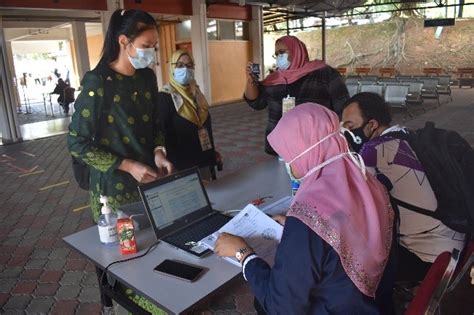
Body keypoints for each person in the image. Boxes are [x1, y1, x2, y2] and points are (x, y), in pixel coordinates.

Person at [215, 104, 394, 314]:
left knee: (262, 302)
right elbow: (345, 224)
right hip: (372, 304)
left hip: (334, 309)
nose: (288, 164)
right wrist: (293, 226)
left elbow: (281, 307)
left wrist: (243, 254)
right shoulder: (370, 183)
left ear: (304, 153)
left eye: (289, 156)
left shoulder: (308, 217)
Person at [341, 92, 465, 282]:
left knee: (345, 258)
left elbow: (350, 205)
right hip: (455, 247)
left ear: (372, 124)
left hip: (428, 259)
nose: (345, 133)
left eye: (350, 127)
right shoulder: (408, 135)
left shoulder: (373, 152)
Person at [68, 9, 173, 222]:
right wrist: (128, 165)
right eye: (146, 46)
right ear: (124, 41)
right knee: (125, 247)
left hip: (150, 178)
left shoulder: (147, 77)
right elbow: (77, 143)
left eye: (154, 46)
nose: (151, 52)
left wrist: (159, 152)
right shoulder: (98, 81)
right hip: (112, 189)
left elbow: (155, 122)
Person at [244, 35, 349, 155]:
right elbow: (256, 103)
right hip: (281, 146)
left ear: (297, 51)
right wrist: (250, 81)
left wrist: (343, 139)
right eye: (276, 54)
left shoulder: (324, 74)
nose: (279, 57)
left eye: (282, 52)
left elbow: (343, 108)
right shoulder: (273, 80)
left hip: (316, 145)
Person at [157, 50, 222, 180]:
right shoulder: (165, 97)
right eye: (180, 65)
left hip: (204, 160)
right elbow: (161, 133)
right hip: (181, 166)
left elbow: (205, 127)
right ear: (172, 68)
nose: (185, 69)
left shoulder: (197, 93)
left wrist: (211, 152)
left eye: (189, 65)